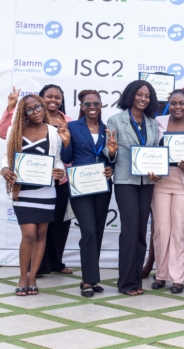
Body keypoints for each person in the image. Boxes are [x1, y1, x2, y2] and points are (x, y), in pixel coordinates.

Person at [1, 95, 67, 295]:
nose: (36, 112)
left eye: (38, 107)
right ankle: (23, 275)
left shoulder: (53, 132)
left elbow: (57, 159)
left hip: (46, 191)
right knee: (28, 234)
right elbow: (6, 157)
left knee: (40, 234)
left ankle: (32, 277)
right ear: (24, 113)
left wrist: (60, 170)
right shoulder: (14, 130)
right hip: (23, 191)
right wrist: (4, 170)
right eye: (29, 109)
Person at [106, 80, 160, 296]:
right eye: (139, 94)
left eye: (147, 96)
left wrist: (157, 171)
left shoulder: (152, 123)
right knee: (129, 231)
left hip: (146, 182)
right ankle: (126, 283)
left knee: (140, 232)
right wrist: (111, 151)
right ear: (130, 95)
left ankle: (136, 281)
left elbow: (154, 152)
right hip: (125, 181)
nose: (143, 99)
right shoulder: (115, 120)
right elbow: (109, 152)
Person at [61, 90, 115, 297]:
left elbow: (111, 157)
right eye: (88, 104)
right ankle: (87, 280)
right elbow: (67, 158)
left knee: (98, 231)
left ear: (101, 105)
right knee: (89, 231)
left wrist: (111, 165)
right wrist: (66, 141)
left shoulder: (107, 129)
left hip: (102, 185)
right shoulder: (73, 127)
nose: (92, 107)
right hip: (80, 186)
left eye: (96, 103)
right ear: (82, 107)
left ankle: (91, 278)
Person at [150, 87, 184, 294]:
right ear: (168, 104)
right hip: (161, 183)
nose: (177, 107)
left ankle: (177, 278)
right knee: (161, 230)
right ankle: (161, 275)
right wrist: (150, 169)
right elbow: (150, 150)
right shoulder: (157, 123)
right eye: (173, 103)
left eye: (182, 103)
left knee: (179, 231)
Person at [34, 85, 74, 277]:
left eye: (57, 97)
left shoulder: (69, 122)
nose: (53, 100)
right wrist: (10, 108)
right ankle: (38, 266)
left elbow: (73, 149)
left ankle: (56, 263)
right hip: (39, 179)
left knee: (60, 224)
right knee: (40, 224)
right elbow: (4, 132)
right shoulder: (33, 119)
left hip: (62, 180)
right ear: (41, 98)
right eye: (49, 96)